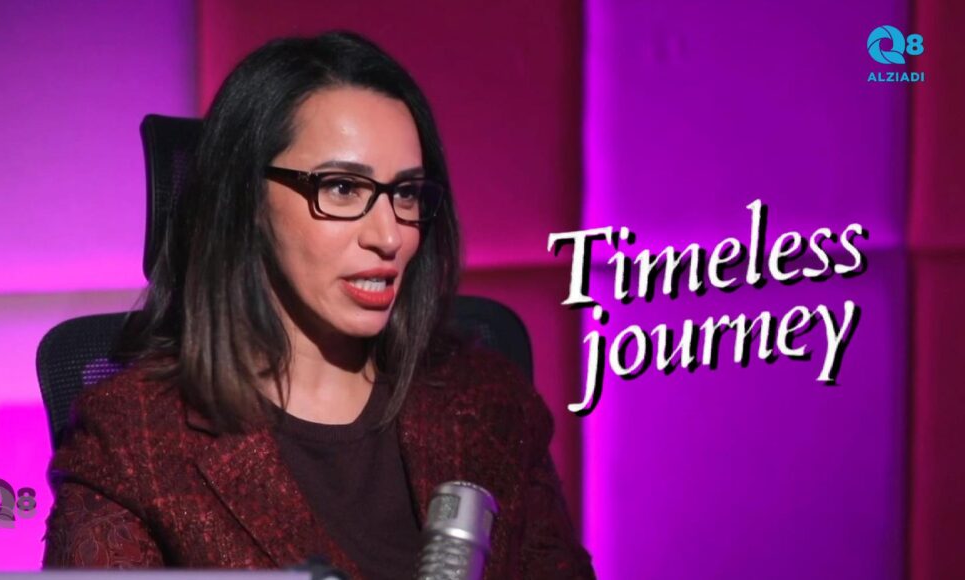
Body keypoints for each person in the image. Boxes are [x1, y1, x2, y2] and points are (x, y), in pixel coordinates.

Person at [42, 31, 595, 579]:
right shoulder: (131, 441)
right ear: (246, 199)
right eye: (342, 188)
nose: (390, 236)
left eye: (406, 193)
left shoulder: (487, 400)